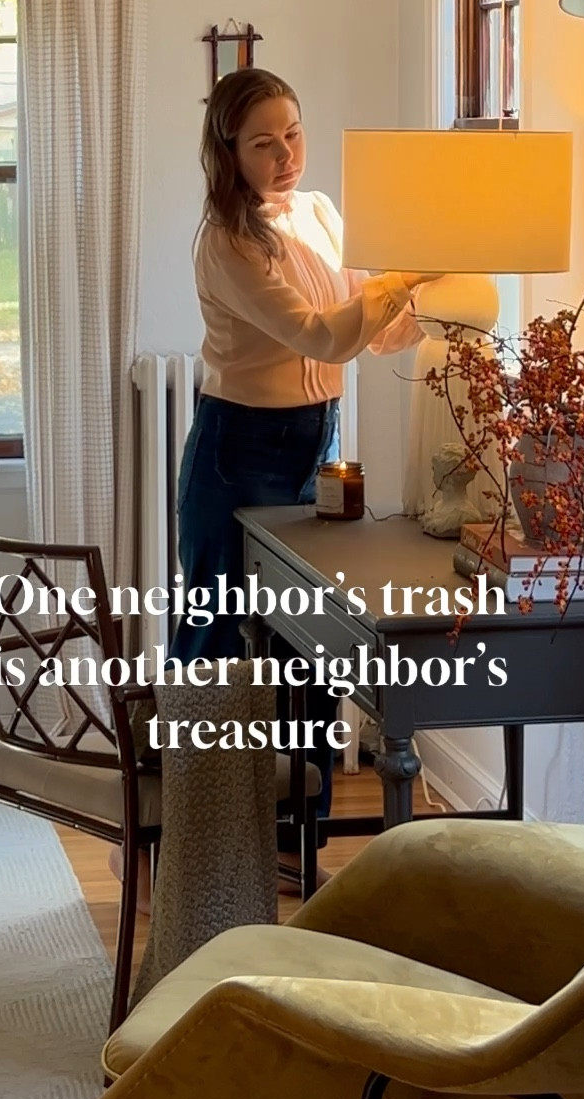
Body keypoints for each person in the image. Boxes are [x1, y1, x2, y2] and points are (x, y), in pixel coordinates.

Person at [170, 67, 433, 852]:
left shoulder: (319, 212)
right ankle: (191, 835)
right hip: (237, 446)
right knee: (217, 640)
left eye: (294, 132)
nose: (286, 154)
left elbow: (374, 332)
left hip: (315, 437)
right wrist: (401, 278)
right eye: (263, 142)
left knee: (310, 641)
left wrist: (436, 295)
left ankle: (297, 834)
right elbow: (323, 336)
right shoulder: (225, 241)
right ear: (229, 152)